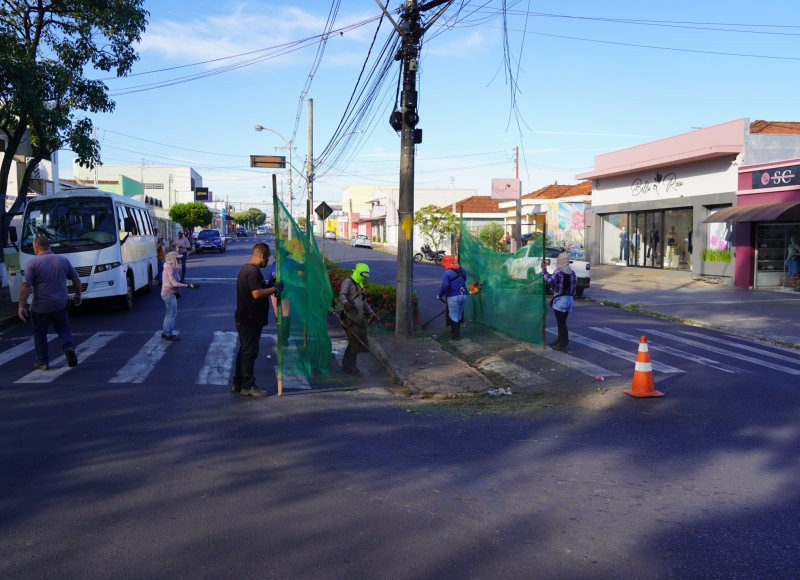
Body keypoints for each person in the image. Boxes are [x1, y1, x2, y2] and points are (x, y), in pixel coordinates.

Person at [17, 236, 82, 370]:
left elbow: (26, 286)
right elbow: (76, 279)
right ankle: (68, 348)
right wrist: (78, 294)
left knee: (40, 333)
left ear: (36, 248)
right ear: (49, 246)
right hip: (60, 304)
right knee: (63, 328)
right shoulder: (63, 260)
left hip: (40, 306)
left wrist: (21, 306)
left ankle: (43, 361)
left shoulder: (32, 263)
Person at [232, 242, 283, 397]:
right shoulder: (253, 271)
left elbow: (259, 288)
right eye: (267, 258)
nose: (267, 262)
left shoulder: (247, 269)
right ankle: (248, 386)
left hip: (246, 317)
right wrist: (275, 289)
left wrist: (270, 284)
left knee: (244, 351)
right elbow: (257, 293)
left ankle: (238, 383)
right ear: (262, 256)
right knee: (250, 352)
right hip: (250, 319)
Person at [339, 263, 376, 376]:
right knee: (354, 341)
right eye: (362, 275)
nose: (363, 277)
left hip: (357, 317)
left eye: (365, 276)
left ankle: (346, 365)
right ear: (358, 272)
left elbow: (363, 301)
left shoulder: (360, 284)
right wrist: (346, 303)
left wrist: (371, 312)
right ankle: (351, 368)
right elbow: (342, 295)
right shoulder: (348, 281)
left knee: (353, 342)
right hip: (348, 316)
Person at [542, 252, 577, 351]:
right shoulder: (573, 273)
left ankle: (563, 343)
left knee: (561, 323)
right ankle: (560, 340)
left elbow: (549, 280)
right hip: (569, 300)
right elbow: (574, 288)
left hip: (560, 300)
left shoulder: (558, 272)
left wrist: (544, 270)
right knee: (563, 321)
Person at [161, 251, 191, 341]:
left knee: (169, 313)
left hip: (168, 293)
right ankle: (169, 334)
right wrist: (187, 286)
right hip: (169, 293)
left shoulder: (169, 267)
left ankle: (165, 332)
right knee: (172, 314)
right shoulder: (170, 268)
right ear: (172, 259)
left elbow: (175, 282)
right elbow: (174, 283)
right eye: (177, 258)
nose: (179, 260)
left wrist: (178, 291)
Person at [437, 255, 468, 340]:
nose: (443, 265)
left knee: (453, 314)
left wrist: (439, 295)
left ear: (446, 263)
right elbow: (465, 279)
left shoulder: (447, 273)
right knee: (458, 313)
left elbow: (445, 286)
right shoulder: (462, 269)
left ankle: (455, 335)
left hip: (454, 296)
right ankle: (455, 332)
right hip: (465, 295)